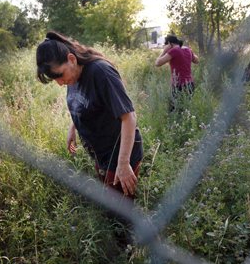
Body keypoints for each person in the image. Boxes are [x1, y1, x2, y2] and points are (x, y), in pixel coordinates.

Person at [36, 31, 143, 198]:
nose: (59, 83)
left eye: (59, 75)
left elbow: (129, 117)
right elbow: (82, 103)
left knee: (120, 211)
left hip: (119, 154)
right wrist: (74, 127)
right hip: (101, 155)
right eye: (54, 79)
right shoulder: (72, 75)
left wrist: (123, 163)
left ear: (72, 59)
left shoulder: (100, 72)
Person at [155, 34, 199, 111]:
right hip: (190, 85)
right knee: (185, 110)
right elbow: (196, 60)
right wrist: (191, 52)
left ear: (169, 44)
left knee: (173, 112)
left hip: (179, 86)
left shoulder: (174, 50)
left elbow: (157, 63)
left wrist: (164, 51)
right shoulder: (187, 49)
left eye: (166, 45)